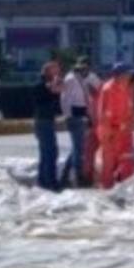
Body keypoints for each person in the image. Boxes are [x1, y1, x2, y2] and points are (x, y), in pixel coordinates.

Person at [96, 63, 134, 189]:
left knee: (128, 158)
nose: (130, 76)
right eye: (128, 74)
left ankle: (127, 186)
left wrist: (132, 122)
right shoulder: (108, 89)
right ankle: (107, 188)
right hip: (111, 130)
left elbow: (130, 108)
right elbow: (104, 113)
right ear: (120, 75)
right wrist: (109, 131)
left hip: (124, 130)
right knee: (109, 161)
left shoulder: (128, 88)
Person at [60, 58, 100, 187]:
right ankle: (78, 177)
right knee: (79, 148)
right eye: (82, 68)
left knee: (78, 148)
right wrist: (68, 116)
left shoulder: (85, 78)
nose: (85, 70)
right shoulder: (71, 79)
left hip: (83, 114)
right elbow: (65, 99)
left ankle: (66, 176)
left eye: (87, 68)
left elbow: (97, 88)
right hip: (75, 115)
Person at [33, 61, 63, 191]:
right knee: (49, 152)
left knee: (48, 152)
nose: (57, 73)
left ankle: (43, 180)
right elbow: (52, 92)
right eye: (55, 70)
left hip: (47, 121)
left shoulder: (48, 85)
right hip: (43, 121)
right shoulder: (41, 85)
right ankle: (50, 182)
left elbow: (58, 91)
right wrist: (55, 85)